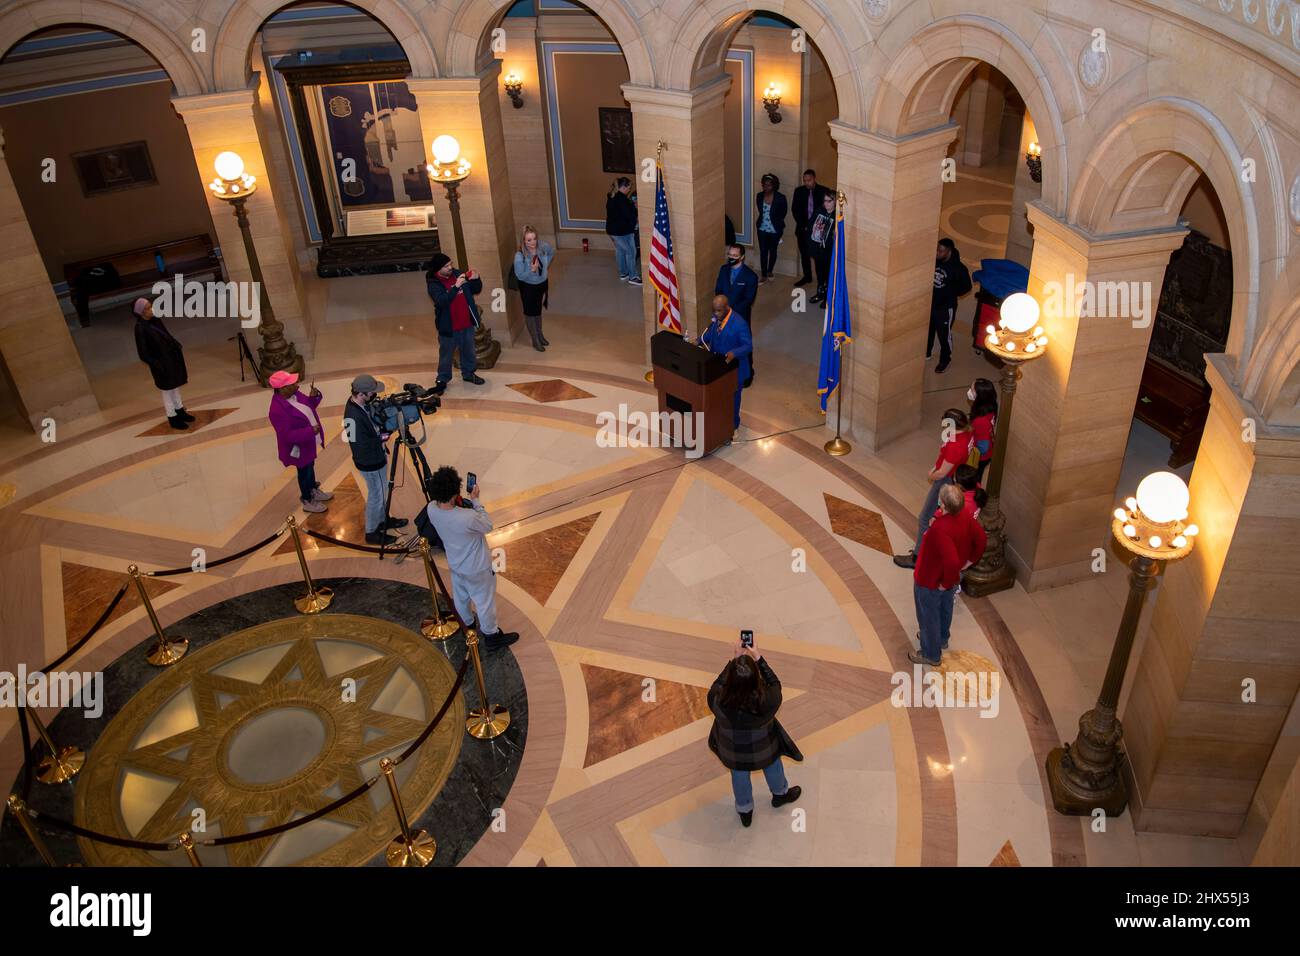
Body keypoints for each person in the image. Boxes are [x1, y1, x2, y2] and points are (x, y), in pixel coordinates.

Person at [707, 639, 803, 827]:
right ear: (755, 679)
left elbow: (717, 684)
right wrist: (758, 657)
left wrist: (734, 661)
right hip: (764, 746)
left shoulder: (717, 699)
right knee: (773, 767)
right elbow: (774, 683)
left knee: (739, 775)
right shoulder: (769, 700)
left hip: (732, 749)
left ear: (731, 681)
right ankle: (780, 795)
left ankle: (745, 810)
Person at [423, 466, 519, 651]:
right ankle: (491, 636)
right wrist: (476, 501)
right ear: (454, 494)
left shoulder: (431, 509)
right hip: (477, 567)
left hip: (455, 563)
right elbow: (487, 525)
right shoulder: (467, 517)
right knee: (484, 602)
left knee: (460, 596)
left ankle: (467, 624)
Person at [910, 483, 987, 666]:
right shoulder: (966, 517)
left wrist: (944, 582)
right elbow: (981, 539)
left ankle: (930, 653)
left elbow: (951, 561)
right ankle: (942, 637)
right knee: (945, 609)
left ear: (942, 504)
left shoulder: (940, 530)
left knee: (929, 615)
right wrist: (967, 563)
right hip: (950, 578)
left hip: (931, 579)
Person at [893, 408, 974, 568]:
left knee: (925, 517)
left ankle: (917, 557)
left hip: (945, 481)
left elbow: (942, 472)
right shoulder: (966, 434)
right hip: (950, 476)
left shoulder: (955, 446)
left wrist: (931, 474)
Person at [343, 373, 407, 545]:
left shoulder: (359, 405)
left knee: (382, 490)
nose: (374, 395)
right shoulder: (352, 416)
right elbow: (358, 445)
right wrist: (382, 437)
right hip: (370, 463)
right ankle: (371, 532)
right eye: (371, 393)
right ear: (362, 393)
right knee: (376, 495)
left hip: (374, 457)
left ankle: (383, 520)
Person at [268, 370, 332, 514]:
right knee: (304, 472)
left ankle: (313, 490)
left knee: (310, 468)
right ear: (283, 388)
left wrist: (314, 397)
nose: (297, 384)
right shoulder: (276, 410)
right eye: (293, 383)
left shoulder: (295, 394)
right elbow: (287, 435)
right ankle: (307, 499)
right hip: (298, 447)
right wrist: (310, 431)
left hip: (307, 443)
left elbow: (309, 406)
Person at [426, 253, 486, 392]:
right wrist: (456, 287)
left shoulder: (458, 274)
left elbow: (476, 289)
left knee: (469, 351)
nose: (450, 267)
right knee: (446, 355)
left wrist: (477, 279)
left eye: (450, 264)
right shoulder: (434, 284)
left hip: (466, 323)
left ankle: (469, 373)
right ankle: (442, 379)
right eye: (446, 266)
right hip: (449, 327)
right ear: (438, 269)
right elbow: (442, 301)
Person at [133, 297, 192, 431]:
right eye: (148, 308)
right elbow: (143, 353)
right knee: (167, 391)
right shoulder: (140, 328)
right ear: (141, 312)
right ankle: (172, 417)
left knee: (175, 386)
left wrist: (175, 344)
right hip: (160, 364)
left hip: (170, 359)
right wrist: (157, 364)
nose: (151, 309)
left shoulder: (155, 320)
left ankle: (180, 410)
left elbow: (166, 334)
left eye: (151, 306)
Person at [699, 294, 753, 435]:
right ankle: (719, 422)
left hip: (735, 370)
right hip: (718, 367)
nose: (715, 314)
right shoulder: (717, 320)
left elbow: (748, 346)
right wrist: (699, 340)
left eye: (718, 311)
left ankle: (733, 425)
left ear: (727, 308)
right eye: (714, 311)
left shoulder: (739, 323)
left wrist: (734, 353)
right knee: (719, 397)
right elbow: (710, 334)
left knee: (733, 399)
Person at [714, 244, 759, 387]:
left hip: (740, 318)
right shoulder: (723, 270)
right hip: (722, 316)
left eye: (735, 256)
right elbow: (718, 290)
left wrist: (729, 312)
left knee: (743, 346)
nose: (731, 258)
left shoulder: (750, 276)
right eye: (730, 255)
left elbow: (748, 299)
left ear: (742, 257)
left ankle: (748, 374)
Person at [929, 238, 972, 373]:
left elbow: (967, 287)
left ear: (949, 251)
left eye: (941, 251)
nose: (937, 253)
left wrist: (951, 292)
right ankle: (926, 353)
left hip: (946, 308)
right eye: (937, 249)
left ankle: (945, 359)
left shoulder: (959, 269)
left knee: (944, 335)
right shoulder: (934, 260)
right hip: (931, 304)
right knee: (928, 330)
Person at [513, 225, 554, 352]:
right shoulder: (520, 256)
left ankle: (540, 335)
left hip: (541, 284)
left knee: (537, 311)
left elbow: (551, 251)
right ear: (523, 241)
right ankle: (535, 339)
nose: (532, 242)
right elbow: (520, 276)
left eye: (534, 238)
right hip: (528, 287)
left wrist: (546, 263)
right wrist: (532, 270)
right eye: (529, 240)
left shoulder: (542, 247)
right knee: (530, 313)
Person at [791, 168, 832, 286]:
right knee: (804, 254)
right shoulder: (798, 191)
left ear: (814, 179)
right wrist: (804, 225)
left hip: (818, 231)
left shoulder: (824, 191)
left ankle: (823, 281)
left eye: (809, 180)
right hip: (802, 230)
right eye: (804, 180)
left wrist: (815, 227)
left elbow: (825, 211)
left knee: (819, 257)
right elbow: (795, 210)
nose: (806, 183)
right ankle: (807, 276)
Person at [605, 177, 641, 285]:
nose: (629, 190)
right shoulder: (622, 200)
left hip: (614, 230)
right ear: (623, 187)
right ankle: (633, 277)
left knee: (620, 251)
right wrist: (635, 209)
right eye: (629, 187)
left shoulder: (612, 197)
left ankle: (623, 273)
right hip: (622, 231)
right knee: (631, 252)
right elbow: (628, 215)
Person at [754, 173, 787, 283]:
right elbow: (760, 210)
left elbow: (783, 212)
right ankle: (763, 275)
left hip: (775, 229)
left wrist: (776, 221)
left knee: (773, 250)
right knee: (763, 251)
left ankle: (770, 271)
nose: (766, 187)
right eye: (764, 185)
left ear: (774, 185)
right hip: (762, 228)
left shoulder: (781, 198)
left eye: (769, 185)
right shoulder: (759, 196)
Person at [807, 191, 836, 307]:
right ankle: (820, 293)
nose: (827, 204)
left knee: (828, 275)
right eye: (825, 201)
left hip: (829, 251)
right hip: (817, 249)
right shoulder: (819, 211)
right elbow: (810, 226)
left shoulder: (837, 216)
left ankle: (828, 299)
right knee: (819, 274)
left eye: (829, 201)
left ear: (835, 201)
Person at [968, 377, 998, 484]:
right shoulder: (991, 405)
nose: (969, 392)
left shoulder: (981, 420)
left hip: (981, 456)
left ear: (980, 396)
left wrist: (971, 451)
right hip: (987, 451)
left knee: (975, 479)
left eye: (972, 390)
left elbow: (983, 446)